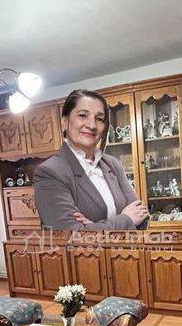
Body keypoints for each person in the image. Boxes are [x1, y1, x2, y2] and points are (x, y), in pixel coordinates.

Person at [33, 89, 150, 230]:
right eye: (83, 115)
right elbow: (72, 235)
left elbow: (142, 217)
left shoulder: (113, 164)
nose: (92, 125)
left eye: (99, 119)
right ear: (65, 121)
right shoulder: (50, 172)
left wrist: (93, 227)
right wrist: (127, 219)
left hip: (127, 246)